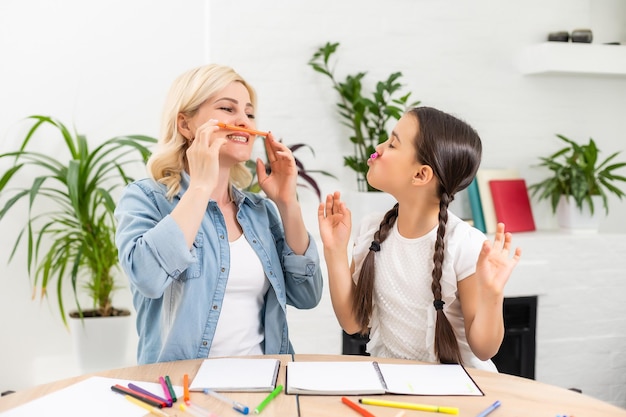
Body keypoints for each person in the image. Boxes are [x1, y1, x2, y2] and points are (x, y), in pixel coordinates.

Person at [115, 64, 323, 364]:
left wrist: (288, 203)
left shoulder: (259, 212)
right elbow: (147, 277)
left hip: (267, 386)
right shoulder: (146, 198)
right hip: (182, 390)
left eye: (250, 114)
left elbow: (307, 295)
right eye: (227, 109)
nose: (244, 121)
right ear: (186, 126)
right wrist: (200, 186)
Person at [318, 106, 522, 371]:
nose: (379, 147)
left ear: (420, 174)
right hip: (397, 388)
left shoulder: (464, 243)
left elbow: (483, 349)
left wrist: (493, 295)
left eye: (392, 144)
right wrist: (335, 250)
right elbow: (353, 322)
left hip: (461, 394)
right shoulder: (372, 230)